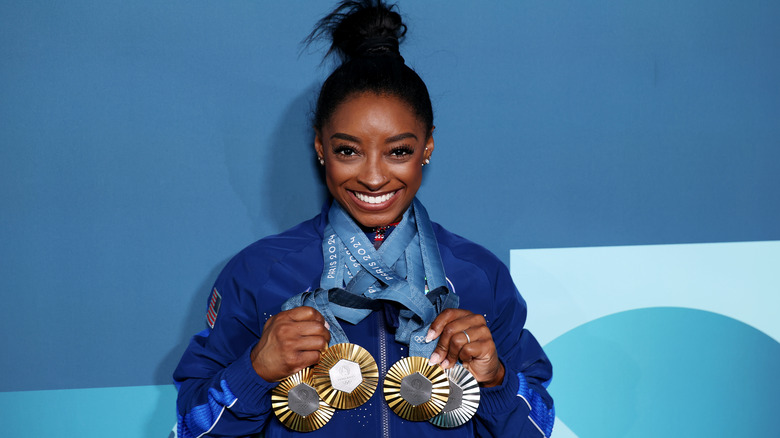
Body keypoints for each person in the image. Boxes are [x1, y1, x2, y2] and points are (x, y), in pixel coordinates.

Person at [173, 1, 554, 436]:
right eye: (348, 150)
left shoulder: (478, 276)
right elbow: (190, 427)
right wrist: (255, 371)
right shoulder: (258, 274)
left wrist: (498, 381)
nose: (373, 178)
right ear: (320, 148)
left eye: (399, 151)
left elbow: (537, 428)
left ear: (427, 147)